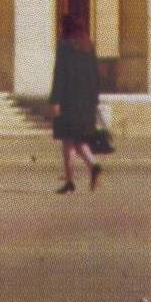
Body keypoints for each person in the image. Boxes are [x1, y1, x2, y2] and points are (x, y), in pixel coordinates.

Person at [49, 15, 105, 194]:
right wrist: (94, 100)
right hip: (87, 102)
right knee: (79, 140)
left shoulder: (64, 47)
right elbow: (95, 76)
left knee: (68, 142)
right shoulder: (89, 47)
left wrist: (55, 100)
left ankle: (69, 182)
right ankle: (94, 166)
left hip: (69, 101)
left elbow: (59, 75)